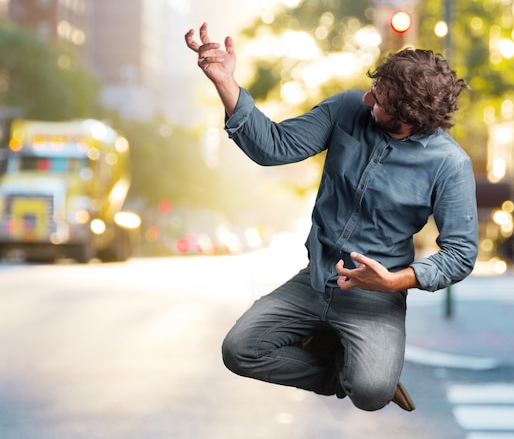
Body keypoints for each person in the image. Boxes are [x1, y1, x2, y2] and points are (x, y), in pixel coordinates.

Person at [184, 23, 478, 412]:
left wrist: (393, 281)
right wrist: (225, 81)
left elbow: (460, 253)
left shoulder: (449, 164)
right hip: (316, 279)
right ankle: (340, 362)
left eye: (381, 99)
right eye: (376, 87)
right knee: (240, 350)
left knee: (371, 393)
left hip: (375, 295)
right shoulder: (347, 108)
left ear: (408, 118)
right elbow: (275, 145)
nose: (368, 96)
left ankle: (368, 375)